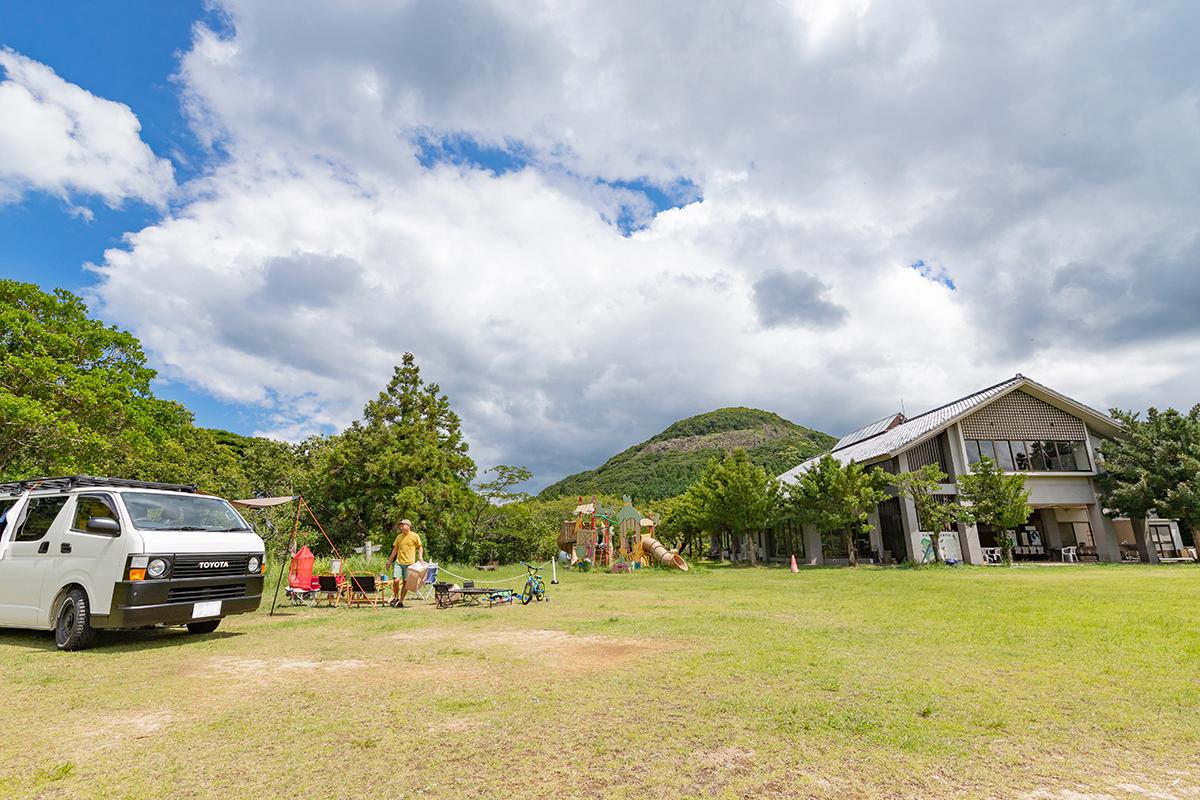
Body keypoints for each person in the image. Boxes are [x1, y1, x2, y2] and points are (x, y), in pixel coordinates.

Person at [386, 518, 423, 607]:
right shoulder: (399, 537)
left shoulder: (415, 536)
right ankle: (396, 596)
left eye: (403, 525)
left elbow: (420, 547)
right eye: (400, 525)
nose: (401, 527)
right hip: (399, 562)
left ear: (408, 526)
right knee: (396, 581)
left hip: (410, 564)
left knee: (406, 583)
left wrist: (420, 557)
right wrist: (389, 561)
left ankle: (401, 601)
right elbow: (395, 550)